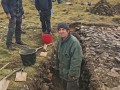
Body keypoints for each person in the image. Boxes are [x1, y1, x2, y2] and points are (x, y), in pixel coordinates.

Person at [55, 22, 83, 90]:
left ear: (68, 31)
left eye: (63, 29)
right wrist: (57, 66)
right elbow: (57, 55)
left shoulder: (74, 43)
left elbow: (76, 61)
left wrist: (71, 75)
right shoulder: (60, 41)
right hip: (63, 73)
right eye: (59, 30)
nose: (61, 31)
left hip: (71, 77)